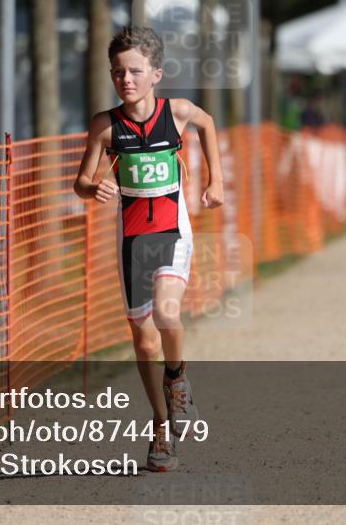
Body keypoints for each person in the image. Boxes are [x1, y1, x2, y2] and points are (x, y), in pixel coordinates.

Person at [73, 26, 224, 472]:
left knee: (167, 313)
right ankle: (160, 427)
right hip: (132, 242)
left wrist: (216, 180)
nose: (126, 80)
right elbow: (81, 181)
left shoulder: (175, 112)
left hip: (173, 234)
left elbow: (207, 123)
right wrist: (92, 186)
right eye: (118, 72)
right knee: (142, 341)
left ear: (156, 73)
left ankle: (177, 379)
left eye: (135, 71)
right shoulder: (106, 125)